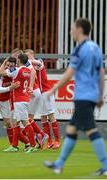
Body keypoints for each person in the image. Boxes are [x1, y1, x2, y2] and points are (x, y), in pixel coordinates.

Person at [44, 18, 107, 176]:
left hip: (83, 96)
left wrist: (53, 89)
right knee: (71, 129)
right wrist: (99, 95)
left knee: (91, 130)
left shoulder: (80, 49)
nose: (71, 31)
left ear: (79, 29)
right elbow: (101, 73)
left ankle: (106, 166)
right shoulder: (96, 48)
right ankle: (59, 164)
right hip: (91, 95)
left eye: (72, 28)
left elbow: (69, 73)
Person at [0, 53, 37, 153]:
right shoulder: (28, 70)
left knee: (25, 122)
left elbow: (0, 72)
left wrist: (4, 62)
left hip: (19, 100)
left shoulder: (16, 70)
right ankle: (14, 145)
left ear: (19, 60)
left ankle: (32, 145)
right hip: (24, 98)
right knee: (16, 122)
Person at [28, 51, 60, 149]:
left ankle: (57, 141)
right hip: (39, 94)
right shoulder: (28, 67)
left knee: (51, 116)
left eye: (29, 55)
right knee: (43, 117)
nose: (28, 57)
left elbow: (38, 64)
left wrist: (29, 60)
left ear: (33, 55)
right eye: (26, 56)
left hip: (46, 92)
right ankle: (49, 141)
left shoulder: (39, 61)